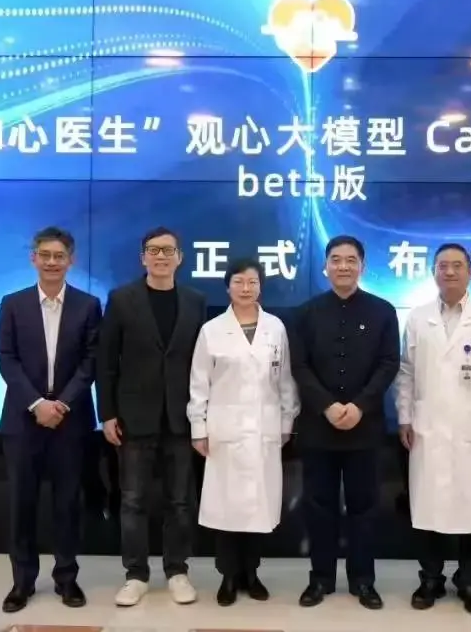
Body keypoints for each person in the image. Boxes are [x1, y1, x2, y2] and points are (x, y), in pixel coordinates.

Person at [396, 243, 471, 616]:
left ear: (470, 271)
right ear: (433, 272)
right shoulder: (418, 317)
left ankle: (469, 581)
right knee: (428, 508)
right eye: (442, 265)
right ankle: (430, 578)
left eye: (457, 265)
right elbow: (406, 372)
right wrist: (404, 416)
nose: (449, 271)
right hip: (427, 428)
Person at [97, 226, 209, 607]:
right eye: (153, 250)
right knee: (133, 501)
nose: (161, 256)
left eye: (168, 250)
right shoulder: (121, 299)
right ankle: (136, 575)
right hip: (133, 417)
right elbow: (106, 361)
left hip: (181, 417)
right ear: (143, 257)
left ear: (180, 258)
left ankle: (177, 571)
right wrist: (107, 413)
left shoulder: (195, 301)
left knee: (180, 501)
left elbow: (203, 363)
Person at [287, 235, 400, 610]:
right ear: (325, 266)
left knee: (364, 507)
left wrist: (360, 405)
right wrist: (327, 406)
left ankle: (363, 581)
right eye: (336, 259)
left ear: (362, 267)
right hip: (318, 427)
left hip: (364, 427)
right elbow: (299, 366)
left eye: (351, 260)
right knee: (318, 506)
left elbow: (388, 364)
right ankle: (320, 579)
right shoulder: (305, 313)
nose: (343, 266)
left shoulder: (383, 311)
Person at [0, 227, 102, 613]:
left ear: (71, 260)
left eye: (59, 256)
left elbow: (91, 361)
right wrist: (37, 403)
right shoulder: (12, 304)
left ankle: (66, 579)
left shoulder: (88, 305)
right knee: (21, 503)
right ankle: (21, 582)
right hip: (22, 421)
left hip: (71, 422)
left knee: (67, 503)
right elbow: (6, 358)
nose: (52, 262)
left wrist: (62, 404)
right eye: (45, 255)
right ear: (33, 259)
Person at [187, 258, 300, 606]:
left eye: (252, 282)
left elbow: (285, 381)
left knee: (257, 508)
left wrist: (286, 422)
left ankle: (252, 573)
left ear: (261, 286)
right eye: (238, 282)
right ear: (227, 287)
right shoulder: (212, 330)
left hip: (265, 430)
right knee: (226, 509)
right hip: (224, 432)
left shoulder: (275, 328)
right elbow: (199, 384)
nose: (246, 288)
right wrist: (198, 427)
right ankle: (228, 576)